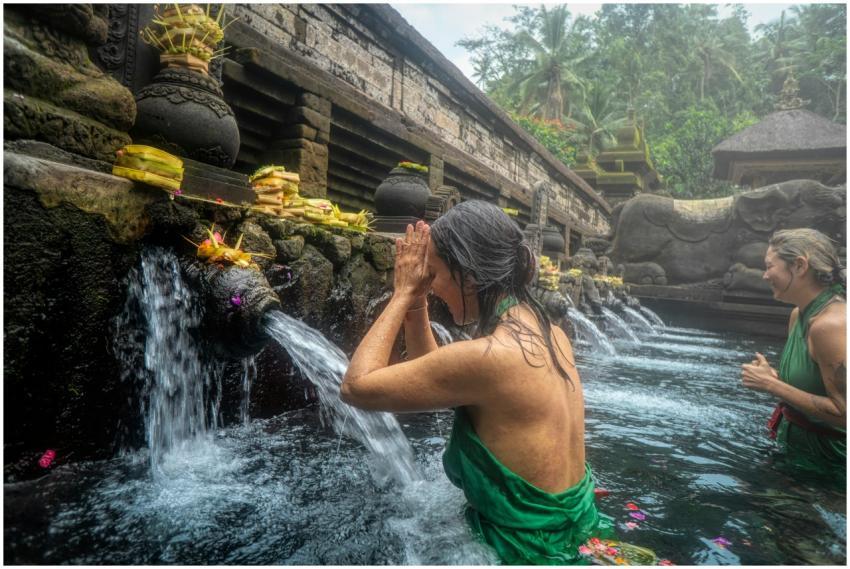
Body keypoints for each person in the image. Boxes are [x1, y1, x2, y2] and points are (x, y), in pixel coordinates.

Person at [340, 201, 603, 564]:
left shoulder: (492, 357)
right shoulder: (553, 335)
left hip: (525, 552)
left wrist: (401, 294)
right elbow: (434, 376)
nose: (430, 287)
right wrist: (417, 306)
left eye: (433, 274)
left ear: (469, 275)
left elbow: (356, 386)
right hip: (579, 531)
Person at [741, 228, 846, 469]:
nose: (765, 276)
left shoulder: (830, 326)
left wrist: (771, 384)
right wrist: (772, 377)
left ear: (799, 266)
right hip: (795, 450)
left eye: (769, 266)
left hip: (830, 464)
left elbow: (844, 413)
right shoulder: (798, 315)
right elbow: (811, 385)